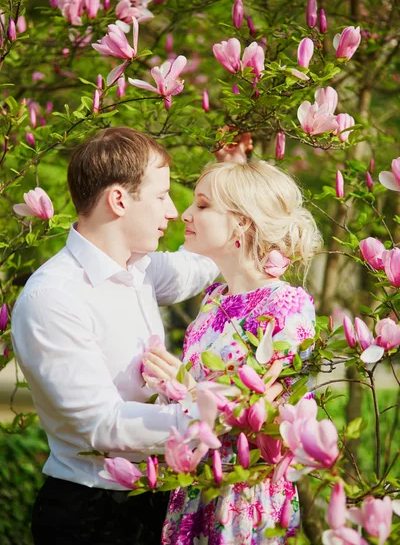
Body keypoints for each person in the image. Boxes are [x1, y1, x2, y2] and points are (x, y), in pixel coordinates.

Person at [11, 126, 228, 545]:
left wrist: (229, 186)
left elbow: (199, 264)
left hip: (154, 498)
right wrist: (210, 416)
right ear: (119, 200)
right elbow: (102, 425)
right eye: (162, 195)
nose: (171, 211)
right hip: (92, 515)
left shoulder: (141, 268)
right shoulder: (53, 298)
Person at [143, 160, 323, 544]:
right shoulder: (214, 298)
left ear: (242, 222)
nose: (186, 213)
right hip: (197, 489)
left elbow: (270, 421)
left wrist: (188, 390)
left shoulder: (286, 306)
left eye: (203, 206)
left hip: (245, 499)